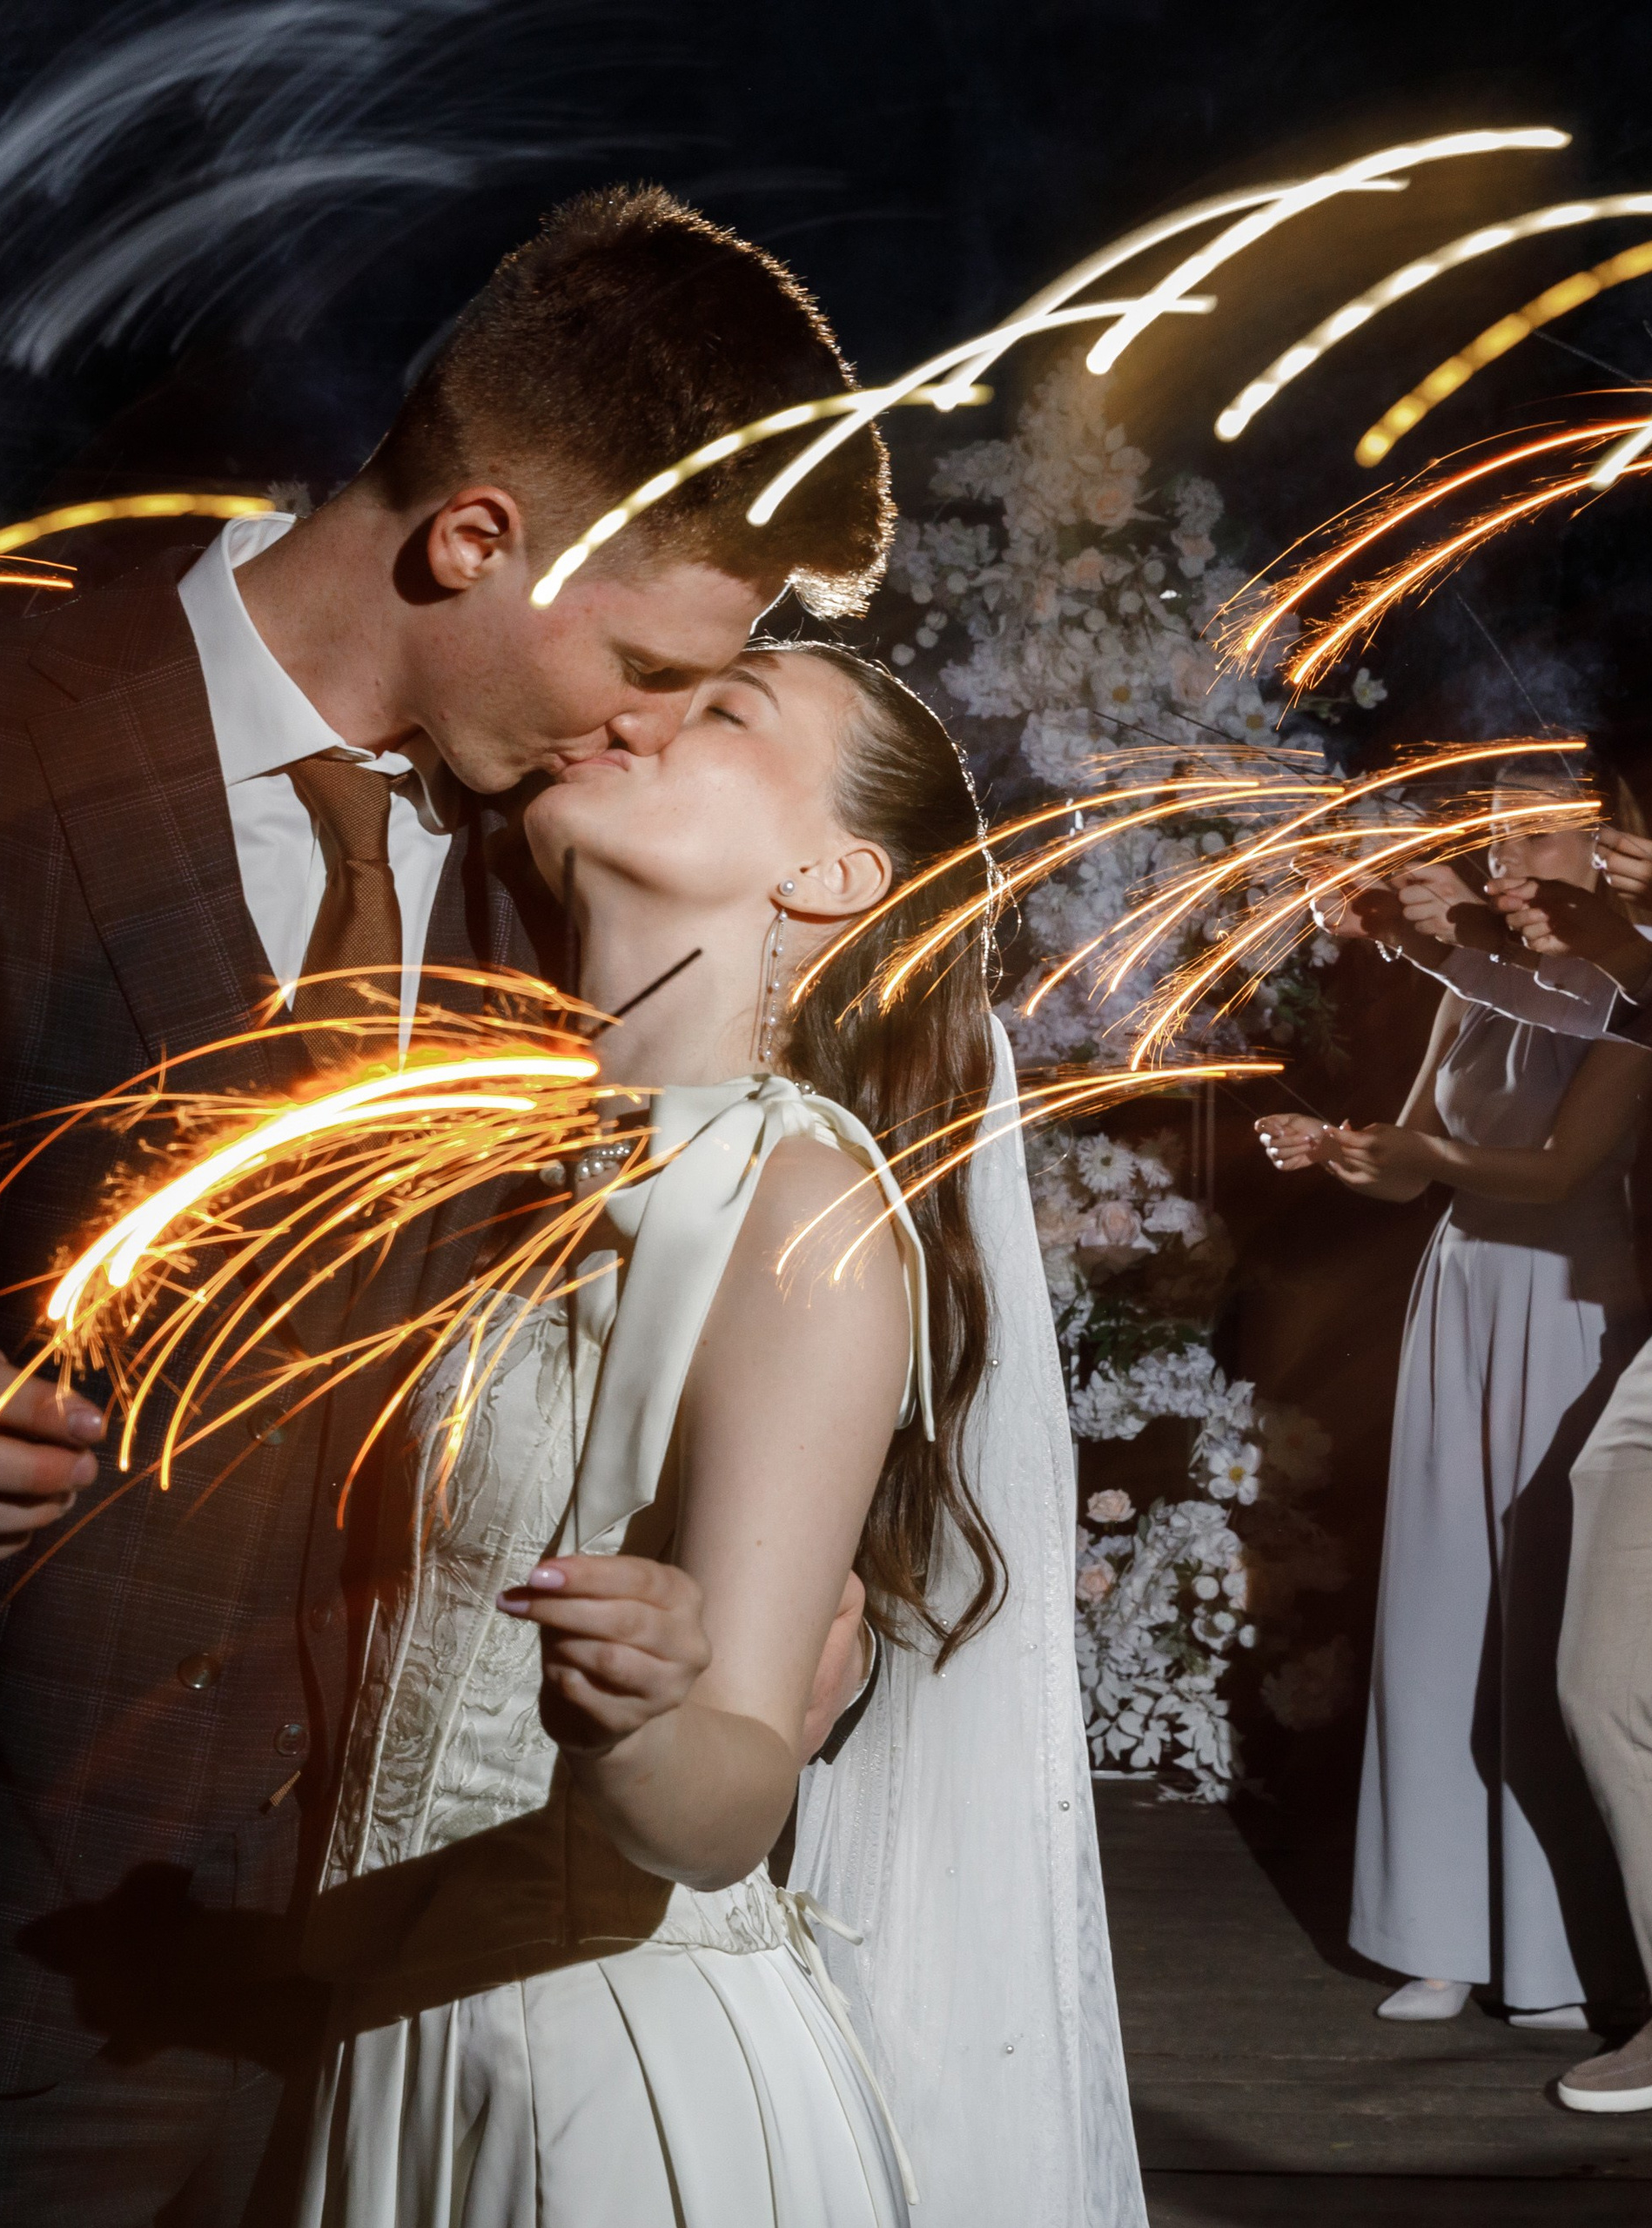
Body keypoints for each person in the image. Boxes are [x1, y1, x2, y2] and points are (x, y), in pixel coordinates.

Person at [0, 187, 896, 2226]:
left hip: (379, 1981)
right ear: (474, 538)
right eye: (638, 661)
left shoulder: (571, 861)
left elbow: (685, 1285)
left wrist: (773, 1617)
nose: (643, 725)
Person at [298, 643, 1141, 2226]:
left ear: (831, 875)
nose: (635, 711)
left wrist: (645, 1708)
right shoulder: (514, 1157)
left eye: (725, 707)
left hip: (590, 2074)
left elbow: (732, 1796)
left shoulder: (796, 1203)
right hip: (393, 2029)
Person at [1260, 762, 1649, 2030]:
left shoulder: (1625, 989)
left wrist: (1424, 1150)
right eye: (1501, 834)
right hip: (1463, 1289)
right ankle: (1437, 1928)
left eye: (1542, 833)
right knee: (1439, 1598)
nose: (1511, 855)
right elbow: (1413, 1170)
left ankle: (1554, 1953)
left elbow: (1554, 1173)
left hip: (1569, 1297)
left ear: (1612, 851)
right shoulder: (1476, 994)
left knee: (1543, 1613)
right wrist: (1347, 1152)